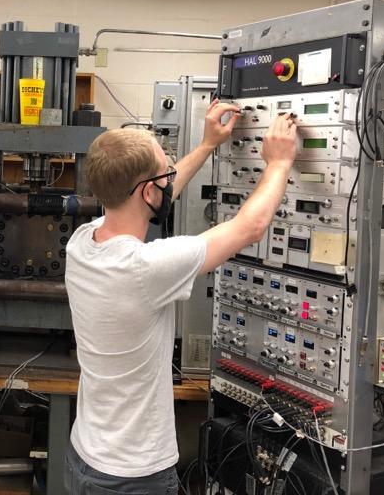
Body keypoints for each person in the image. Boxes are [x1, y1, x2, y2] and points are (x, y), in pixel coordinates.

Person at [64, 101, 298, 494]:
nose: (169, 176)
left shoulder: (84, 241)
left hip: (84, 457)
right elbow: (250, 227)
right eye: (164, 171)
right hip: (133, 476)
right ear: (146, 190)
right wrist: (278, 163)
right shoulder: (145, 267)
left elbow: (153, 195)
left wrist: (207, 145)